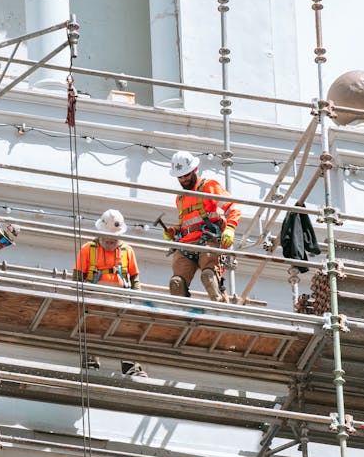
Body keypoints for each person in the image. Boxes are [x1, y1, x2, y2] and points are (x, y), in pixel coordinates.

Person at [73, 208, 147, 378]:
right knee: (91, 329)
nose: (110, 242)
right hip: (94, 299)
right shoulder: (87, 250)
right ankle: (91, 363)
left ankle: (131, 367)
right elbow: (77, 277)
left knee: (125, 331)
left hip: (120, 300)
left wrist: (137, 300)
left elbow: (135, 278)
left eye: (114, 239)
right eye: (107, 238)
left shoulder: (127, 251)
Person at [162, 151, 241, 302]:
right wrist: (175, 231)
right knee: (176, 284)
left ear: (195, 170)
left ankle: (219, 307)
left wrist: (230, 228)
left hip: (207, 240)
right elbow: (188, 222)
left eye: (186, 174)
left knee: (208, 277)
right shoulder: (180, 198)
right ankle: (183, 316)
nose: (184, 179)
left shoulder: (208, 187)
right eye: (180, 176)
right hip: (186, 245)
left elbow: (233, 207)